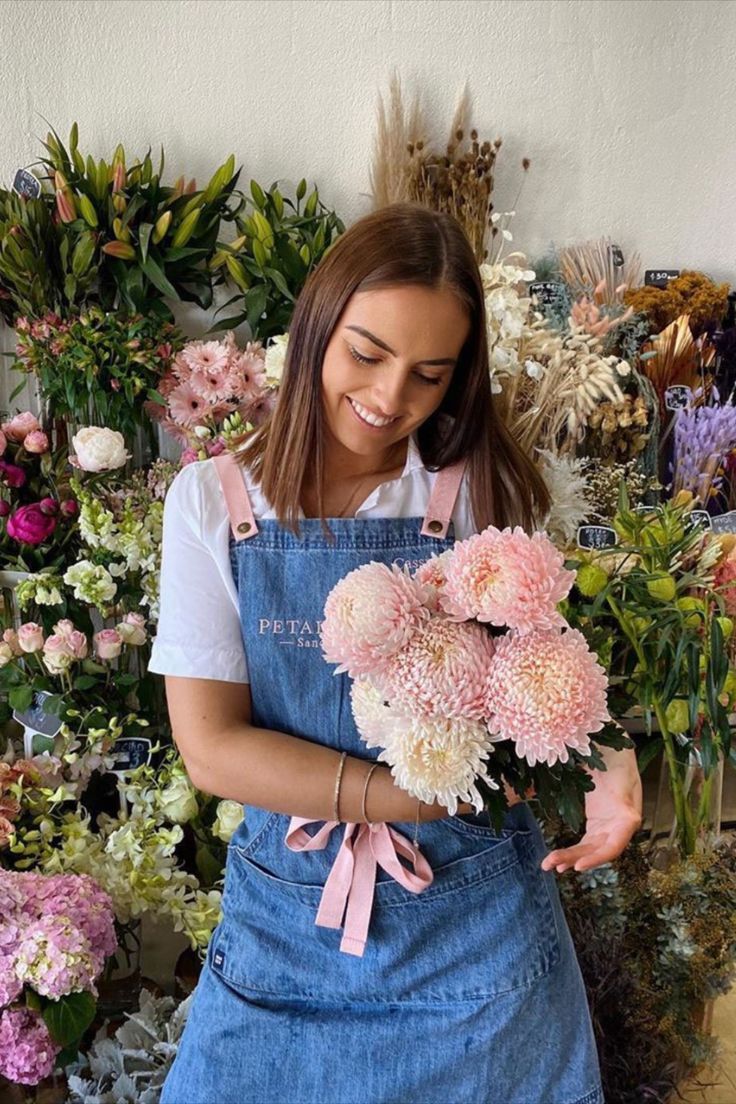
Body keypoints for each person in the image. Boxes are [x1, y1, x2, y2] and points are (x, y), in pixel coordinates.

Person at [150, 202, 642, 1104]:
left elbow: (543, 671)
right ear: (314, 330)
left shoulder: (470, 493)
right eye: (366, 354)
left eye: (428, 375)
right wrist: (409, 796)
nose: (388, 400)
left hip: (475, 936)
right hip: (285, 931)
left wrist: (608, 755)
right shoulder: (211, 505)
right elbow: (212, 747)